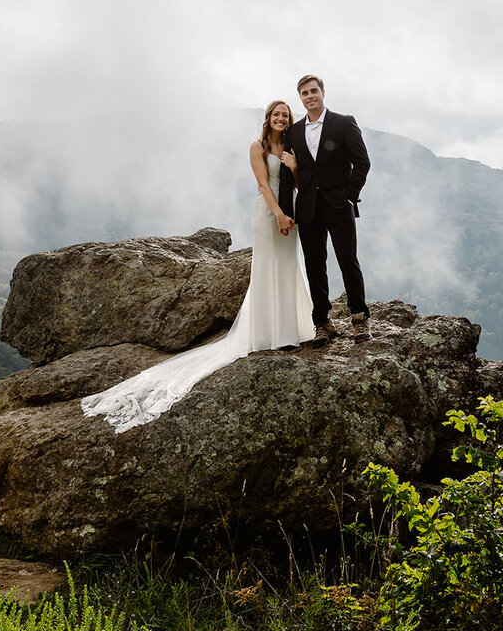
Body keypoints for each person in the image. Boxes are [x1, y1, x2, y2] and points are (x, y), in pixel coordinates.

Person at [81, 101, 315, 433]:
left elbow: (298, 185)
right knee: (268, 269)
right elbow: (264, 186)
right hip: (268, 213)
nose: (281, 119)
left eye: (286, 116)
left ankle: (289, 329)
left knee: (288, 264)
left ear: (290, 121)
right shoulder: (257, 148)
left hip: (290, 213)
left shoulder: (292, 148)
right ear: (268, 119)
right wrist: (277, 214)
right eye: (277, 114)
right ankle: (268, 332)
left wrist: (294, 166)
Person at [279, 74, 371, 344]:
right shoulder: (294, 132)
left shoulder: (344, 123)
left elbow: (362, 162)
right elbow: (287, 175)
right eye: (304, 93)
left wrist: (349, 196)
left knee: (347, 260)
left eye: (313, 91)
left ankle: (359, 318)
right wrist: (286, 211)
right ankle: (322, 322)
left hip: (339, 205)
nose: (310, 96)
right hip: (307, 208)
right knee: (314, 265)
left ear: (322, 92)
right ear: (300, 98)